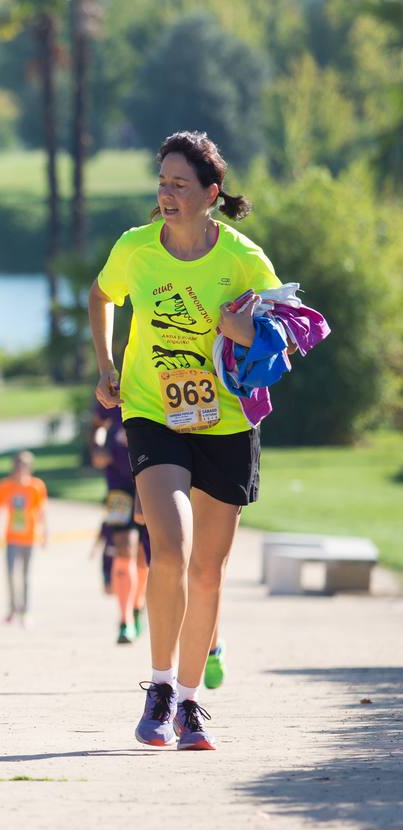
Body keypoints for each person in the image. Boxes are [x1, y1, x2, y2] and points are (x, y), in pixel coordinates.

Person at [88, 130, 280, 751]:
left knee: (208, 571)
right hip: (152, 409)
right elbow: (102, 294)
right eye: (162, 182)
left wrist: (244, 326)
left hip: (226, 420)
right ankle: (161, 687)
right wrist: (105, 366)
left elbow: (286, 335)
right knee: (168, 547)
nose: (166, 194)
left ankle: (193, 705)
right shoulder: (135, 248)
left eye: (180, 184)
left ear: (210, 194)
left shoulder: (244, 259)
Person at [89, 400, 149, 644]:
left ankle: (138, 605)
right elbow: (96, 425)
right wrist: (96, 448)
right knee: (123, 548)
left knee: (145, 555)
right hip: (118, 486)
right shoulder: (114, 391)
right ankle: (124, 621)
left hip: (150, 478)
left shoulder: (154, 379)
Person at [0, 451, 48, 627]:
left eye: (23, 467)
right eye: (17, 467)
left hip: (30, 538)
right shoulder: (4, 486)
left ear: (29, 468)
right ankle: (12, 609)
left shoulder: (36, 486)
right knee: (10, 575)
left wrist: (45, 533)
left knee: (25, 576)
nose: (20, 471)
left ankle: (26, 611)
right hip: (12, 538)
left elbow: (41, 511)